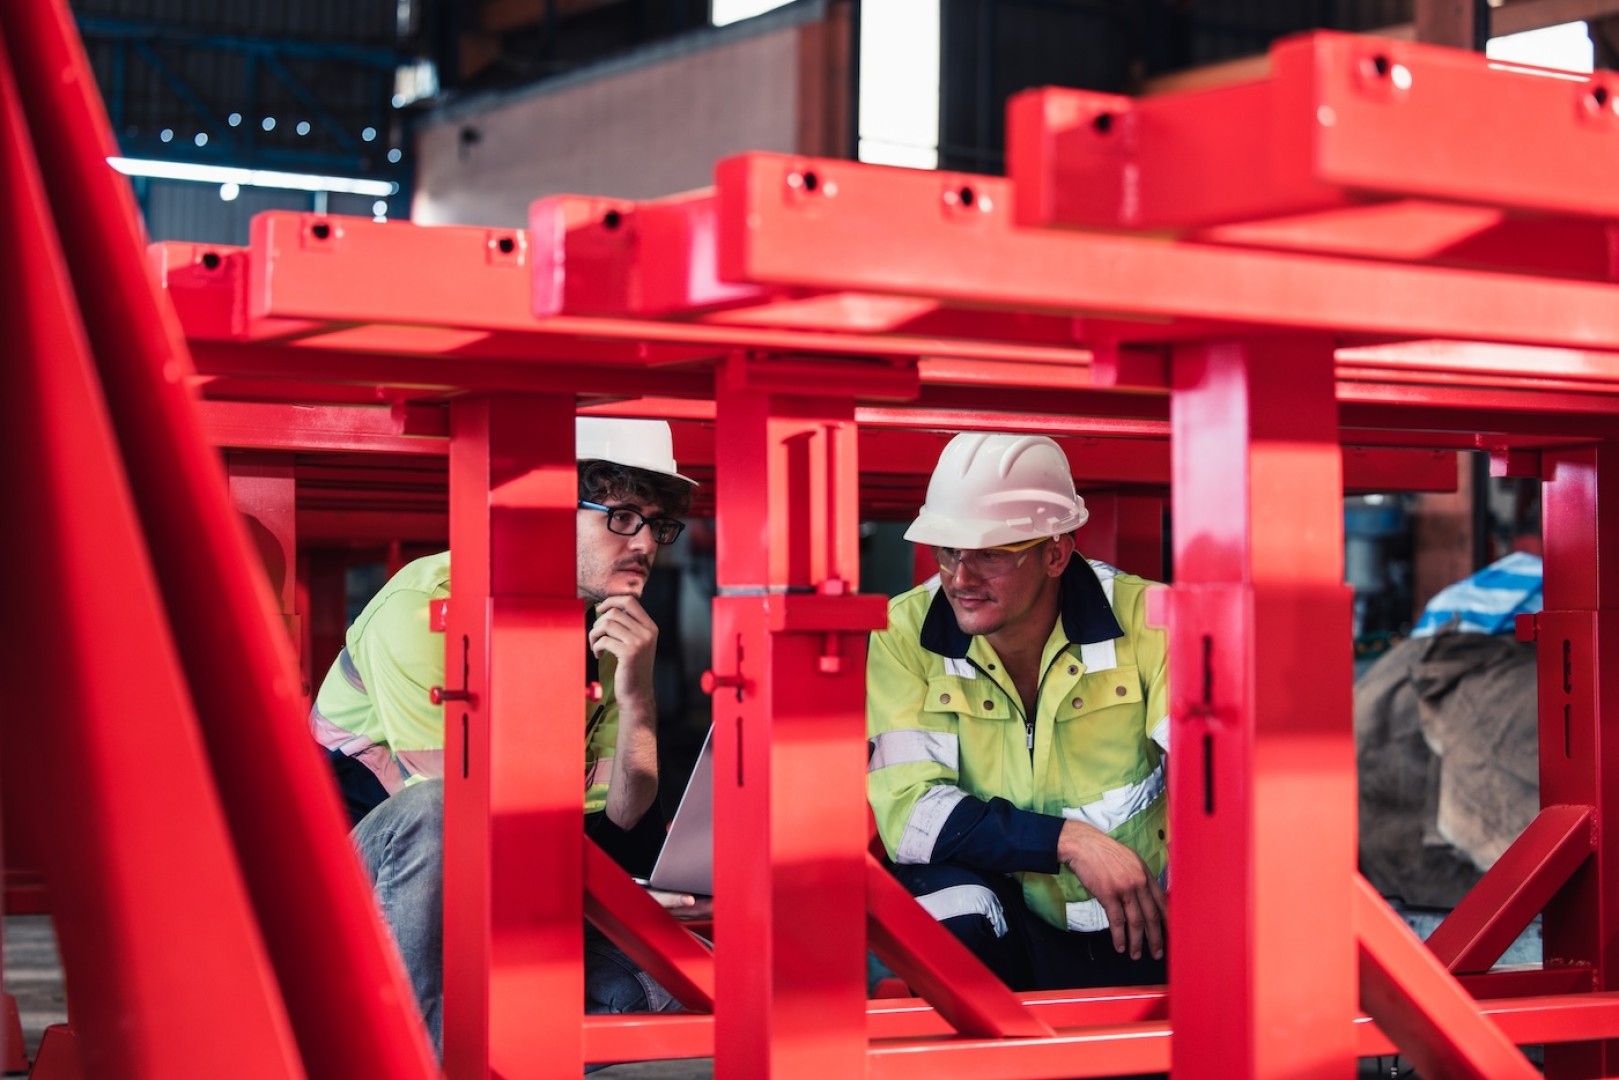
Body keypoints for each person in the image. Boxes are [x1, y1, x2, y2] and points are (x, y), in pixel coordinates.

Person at [308, 416, 697, 1053]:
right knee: (440, 809)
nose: (646, 543)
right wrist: (608, 895)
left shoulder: (605, 627)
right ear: (544, 509)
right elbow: (457, 831)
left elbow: (623, 814)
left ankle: (477, 1039)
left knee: (681, 978)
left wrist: (638, 696)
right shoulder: (426, 606)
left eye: (658, 525)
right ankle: (407, 1057)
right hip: (357, 904)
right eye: (622, 516)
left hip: (492, 907)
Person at [865, 431, 1170, 991]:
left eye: (989, 554)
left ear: (1055, 553)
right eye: (948, 551)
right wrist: (1070, 840)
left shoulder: (1154, 621)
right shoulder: (903, 633)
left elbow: (1228, 794)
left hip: (1139, 918)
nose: (960, 578)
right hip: (997, 919)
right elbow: (910, 819)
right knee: (945, 911)